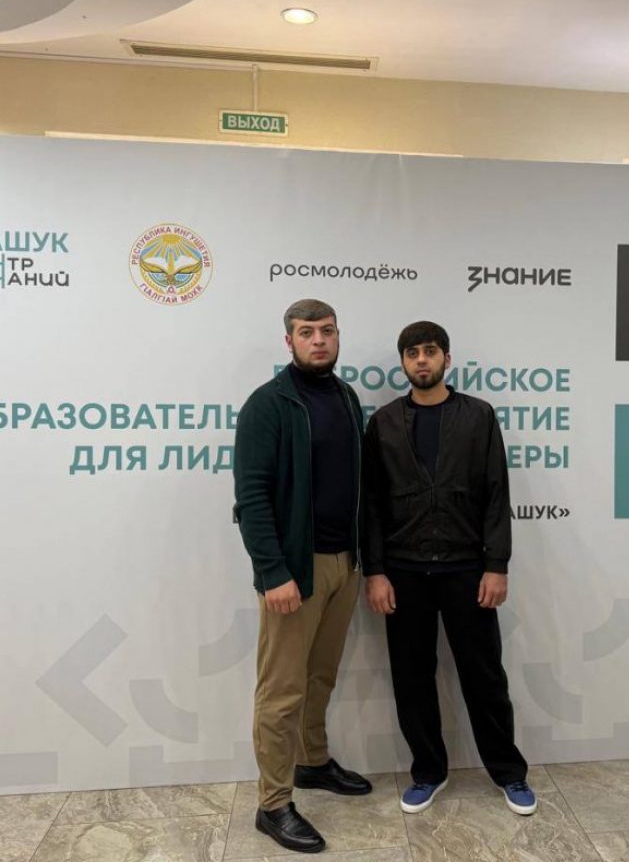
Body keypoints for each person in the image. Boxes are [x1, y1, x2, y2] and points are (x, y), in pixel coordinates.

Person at [363, 321, 536, 816]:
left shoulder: (478, 416)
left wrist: (496, 565)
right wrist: (375, 571)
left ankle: (509, 772)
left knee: (485, 677)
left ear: (446, 359)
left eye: (430, 351)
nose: (422, 360)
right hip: (403, 572)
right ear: (403, 362)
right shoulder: (384, 423)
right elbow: (371, 504)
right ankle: (428, 772)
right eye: (412, 353)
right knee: (412, 679)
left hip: (467, 570)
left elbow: (496, 493)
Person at [234, 298, 371, 854]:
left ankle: (312, 762)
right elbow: (251, 497)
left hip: (346, 564)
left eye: (327, 331)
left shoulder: (347, 398)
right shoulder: (268, 404)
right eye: (307, 332)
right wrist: (273, 572)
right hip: (296, 568)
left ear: (338, 336)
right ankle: (272, 804)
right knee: (281, 691)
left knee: (320, 676)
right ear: (288, 340)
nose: (319, 340)